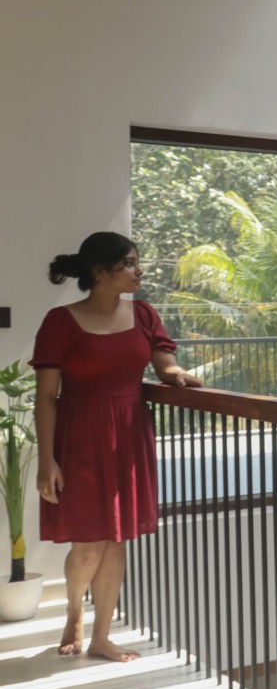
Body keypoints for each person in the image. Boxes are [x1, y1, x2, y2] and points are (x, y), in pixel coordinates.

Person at [31, 231, 202, 662]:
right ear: (100, 273)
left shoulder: (143, 313)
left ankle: (102, 636)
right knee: (88, 543)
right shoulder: (60, 322)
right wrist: (47, 460)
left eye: (136, 262)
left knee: (116, 539)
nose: (138, 271)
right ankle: (75, 613)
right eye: (128, 263)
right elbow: (45, 397)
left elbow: (164, 359)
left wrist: (176, 375)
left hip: (128, 435)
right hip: (80, 438)